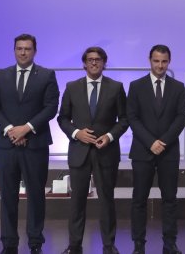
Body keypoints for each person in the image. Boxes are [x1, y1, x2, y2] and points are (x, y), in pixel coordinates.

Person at [0, 33, 61, 254]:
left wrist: (26, 128)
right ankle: (9, 243)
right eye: (19, 48)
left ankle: (35, 242)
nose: (23, 52)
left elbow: (50, 107)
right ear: (14, 50)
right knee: (8, 196)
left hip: (35, 143)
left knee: (36, 195)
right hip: (6, 143)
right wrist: (10, 129)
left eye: (27, 49)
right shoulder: (1, 75)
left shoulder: (47, 75)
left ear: (34, 51)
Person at [57, 46, 129, 254]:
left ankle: (109, 245)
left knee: (106, 200)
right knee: (77, 200)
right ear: (84, 63)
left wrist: (109, 136)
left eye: (98, 59)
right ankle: (75, 245)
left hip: (106, 152)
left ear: (104, 62)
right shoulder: (72, 87)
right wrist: (76, 133)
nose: (94, 63)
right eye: (90, 60)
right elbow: (62, 118)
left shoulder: (116, 87)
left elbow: (124, 119)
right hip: (79, 151)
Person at [128, 45, 185, 254]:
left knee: (170, 199)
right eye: (156, 61)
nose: (160, 65)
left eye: (164, 61)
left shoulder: (178, 87)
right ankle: (138, 244)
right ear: (150, 60)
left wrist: (163, 141)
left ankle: (169, 243)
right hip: (142, 151)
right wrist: (150, 142)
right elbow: (132, 117)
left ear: (169, 62)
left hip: (168, 151)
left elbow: (181, 117)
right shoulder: (136, 86)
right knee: (139, 200)